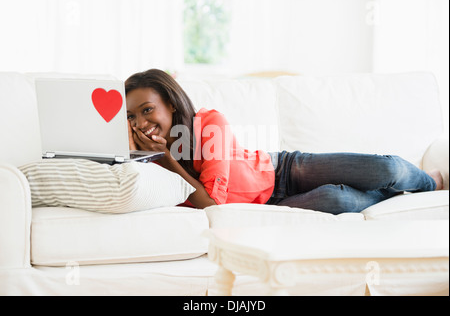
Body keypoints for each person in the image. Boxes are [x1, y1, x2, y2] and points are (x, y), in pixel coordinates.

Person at [125, 69, 444, 214]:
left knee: (383, 168)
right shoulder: (147, 159)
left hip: (282, 170)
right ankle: (395, 200)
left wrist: (165, 158)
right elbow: (213, 206)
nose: (141, 123)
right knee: (339, 201)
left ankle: (428, 184)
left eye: (148, 110)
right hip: (267, 205)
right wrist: (162, 159)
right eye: (131, 117)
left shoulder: (208, 122)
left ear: (171, 104)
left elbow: (210, 198)